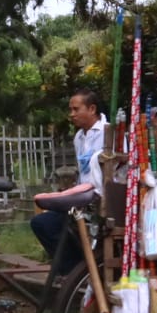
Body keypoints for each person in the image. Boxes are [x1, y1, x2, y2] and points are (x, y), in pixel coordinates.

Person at [30, 87, 108, 276]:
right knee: (42, 223)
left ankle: (79, 274)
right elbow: (82, 172)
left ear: (91, 109)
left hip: (102, 198)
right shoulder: (78, 137)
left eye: (76, 109)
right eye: (70, 110)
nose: (71, 114)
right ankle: (75, 273)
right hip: (81, 199)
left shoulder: (108, 132)